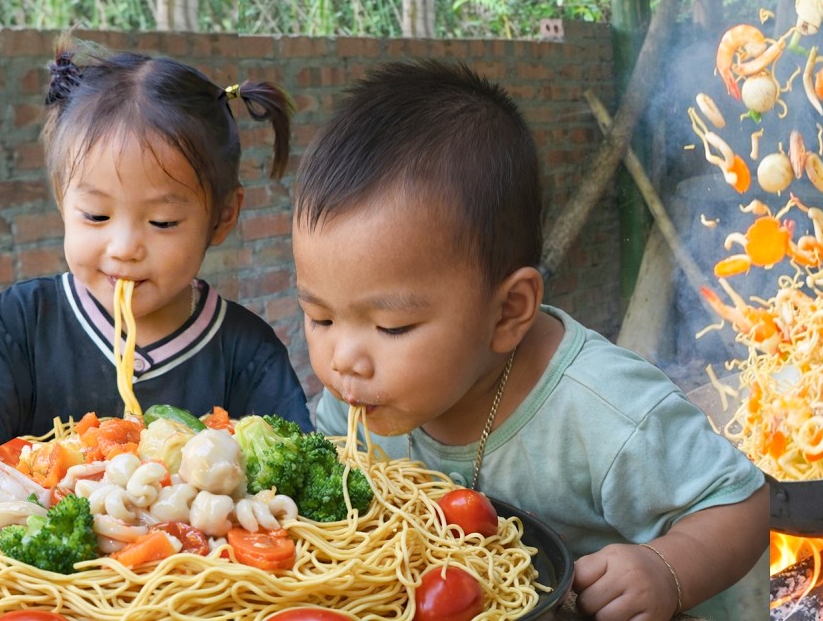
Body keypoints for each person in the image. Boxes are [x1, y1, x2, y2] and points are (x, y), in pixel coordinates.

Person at [297, 59, 768, 621]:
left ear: (508, 312)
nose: (343, 360)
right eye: (319, 318)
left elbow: (741, 503)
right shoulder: (356, 403)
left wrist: (667, 568)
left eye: (391, 327)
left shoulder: (606, 412)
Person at [0, 36, 314, 474]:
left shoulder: (247, 352)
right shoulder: (17, 326)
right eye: (96, 215)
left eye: (162, 222)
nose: (123, 249)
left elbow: (296, 471)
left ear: (223, 217)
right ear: (63, 202)